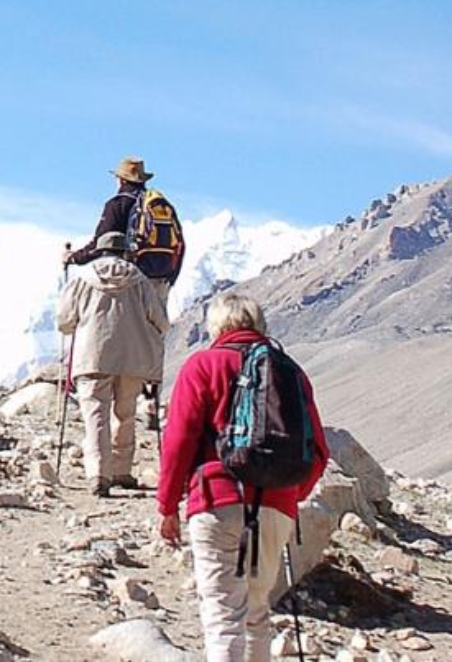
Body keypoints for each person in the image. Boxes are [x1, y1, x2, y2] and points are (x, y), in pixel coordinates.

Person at [156, 293, 329, 662]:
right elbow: (317, 452)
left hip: (217, 499)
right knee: (256, 613)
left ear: (216, 326)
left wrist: (167, 505)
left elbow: (178, 441)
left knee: (223, 619)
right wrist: (290, 496)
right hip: (277, 505)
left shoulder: (203, 365)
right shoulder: (290, 371)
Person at [65, 155, 184, 428]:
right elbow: (180, 245)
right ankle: (150, 402)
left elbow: (100, 244)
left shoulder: (118, 205)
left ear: (120, 179)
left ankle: (119, 398)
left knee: (126, 334)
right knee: (153, 336)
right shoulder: (161, 207)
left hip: (132, 279)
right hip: (161, 278)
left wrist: (74, 258)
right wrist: (169, 279)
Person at [57, 231, 168, 496]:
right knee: (125, 413)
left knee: (95, 415)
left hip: (92, 357)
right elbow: (160, 321)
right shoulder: (139, 280)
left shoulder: (82, 279)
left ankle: (98, 474)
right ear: (126, 252)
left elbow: (64, 322)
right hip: (134, 359)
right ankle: (121, 470)